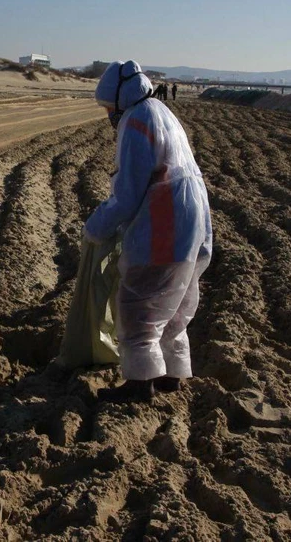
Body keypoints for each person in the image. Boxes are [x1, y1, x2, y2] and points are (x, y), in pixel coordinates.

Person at [85, 60, 213, 403]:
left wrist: (96, 227)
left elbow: (128, 191)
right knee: (174, 303)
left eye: (107, 107)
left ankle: (140, 384)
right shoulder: (161, 112)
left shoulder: (136, 120)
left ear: (119, 98)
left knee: (139, 303)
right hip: (195, 219)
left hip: (166, 223)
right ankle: (173, 374)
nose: (108, 114)